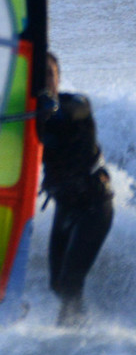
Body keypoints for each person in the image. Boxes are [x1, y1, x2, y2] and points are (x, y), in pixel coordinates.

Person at [36, 51, 115, 326]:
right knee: (57, 284)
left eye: (50, 73)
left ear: (58, 77)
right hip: (66, 206)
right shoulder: (30, 116)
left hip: (95, 206)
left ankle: (71, 332)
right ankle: (79, 325)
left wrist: (49, 109)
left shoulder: (77, 105)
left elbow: (66, 114)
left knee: (70, 282)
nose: (46, 79)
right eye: (40, 74)